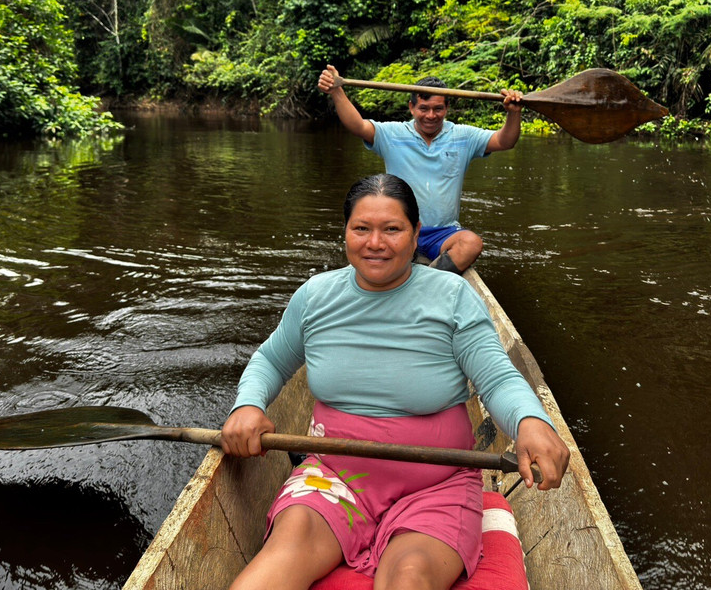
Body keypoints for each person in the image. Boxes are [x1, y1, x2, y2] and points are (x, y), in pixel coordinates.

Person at [221, 173, 570, 590]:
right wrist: (248, 405)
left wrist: (531, 421)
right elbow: (271, 361)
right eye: (361, 228)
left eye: (392, 229)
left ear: (416, 233)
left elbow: (496, 379)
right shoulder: (315, 297)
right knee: (273, 567)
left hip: (436, 483)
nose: (375, 243)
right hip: (334, 475)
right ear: (345, 232)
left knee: (409, 578)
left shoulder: (452, 297)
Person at [318, 64, 523, 274]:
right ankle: (415, 273)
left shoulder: (463, 136)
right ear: (412, 107)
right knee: (380, 247)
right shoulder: (392, 134)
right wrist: (337, 91)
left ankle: (428, 281)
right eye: (424, 109)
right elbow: (357, 126)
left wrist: (514, 113)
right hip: (400, 229)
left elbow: (504, 141)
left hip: (443, 232)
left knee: (471, 243)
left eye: (438, 109)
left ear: (447, 108)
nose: (431, 115)